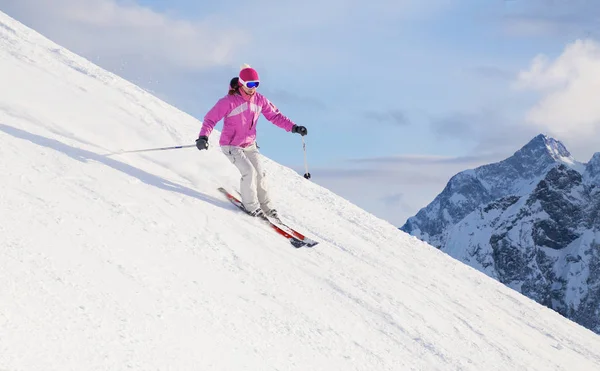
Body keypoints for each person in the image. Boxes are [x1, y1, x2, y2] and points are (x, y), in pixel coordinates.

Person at [196, 64, 308, 219]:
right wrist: (203, 137)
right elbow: (210, 119)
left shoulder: (260, 100)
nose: (253, 88)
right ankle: (251, 207)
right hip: (231, 145)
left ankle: (267, 207)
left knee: (260, 174)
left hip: (249, 144)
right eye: (250, 84)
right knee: (249, 172)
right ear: (242, 83)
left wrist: (294, 127)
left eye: (256, 84)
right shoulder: (228, 101)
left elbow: (275, 116)